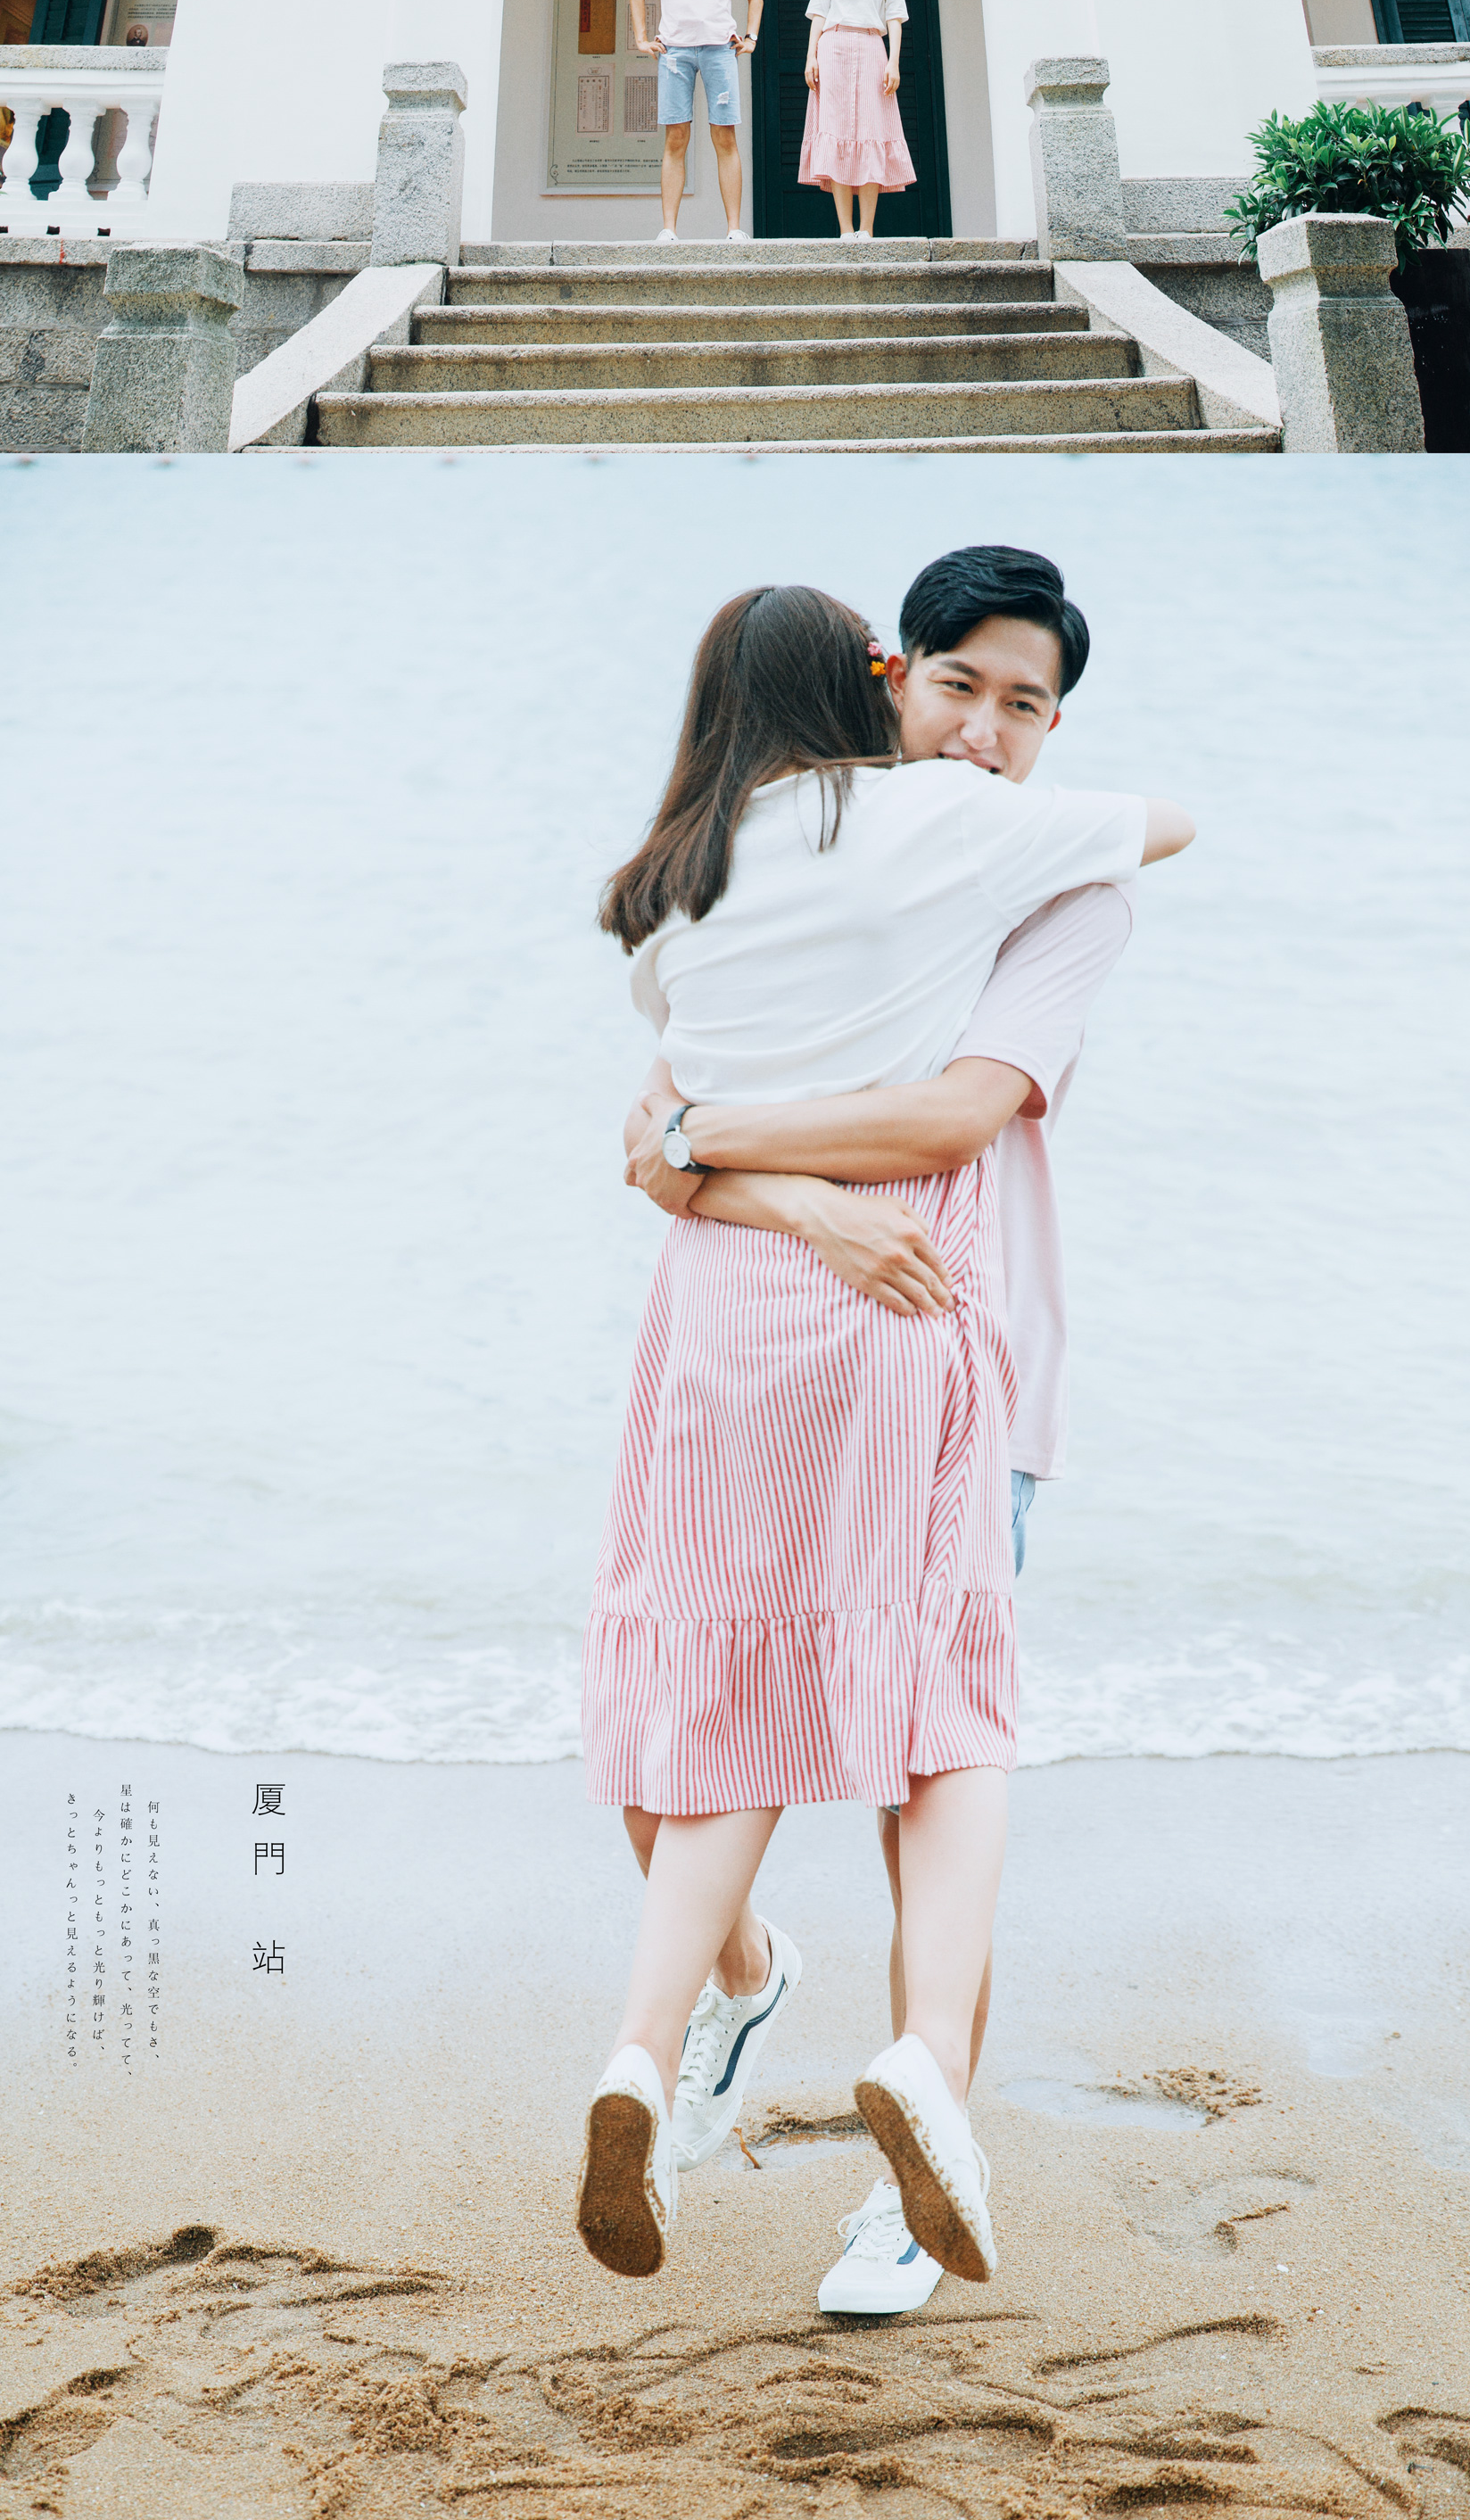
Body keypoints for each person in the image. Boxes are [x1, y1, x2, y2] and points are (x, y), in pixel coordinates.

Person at [576, 582, 1191, 2292]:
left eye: (1026, 706)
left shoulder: (1046, 883)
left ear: (1058, 729)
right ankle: (757, 2001)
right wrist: (798, 1198)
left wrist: (723, 1144)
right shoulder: (885, 837)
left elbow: (951, 1113)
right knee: (775, 1704)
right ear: (887, 683)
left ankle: (900, 2176)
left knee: (907, 1738)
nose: (985, 732)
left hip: (955, 1348)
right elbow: (654, 1147)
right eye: (957, 687)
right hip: (862, 1308)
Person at [629, 0, 763, 245]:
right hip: (675, 51)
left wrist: (751, 38)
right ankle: (669, 229)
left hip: (720, 48)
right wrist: (641, 38)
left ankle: (733, 228)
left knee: (725, 136)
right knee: (675, 137)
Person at [801, 0, 913, 236]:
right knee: (834, 129)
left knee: (871, 129)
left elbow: (895, 20)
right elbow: (819, 16)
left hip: (870, 47)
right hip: (832, 46)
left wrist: (894, 62)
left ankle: (867, 229)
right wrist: (811, 57)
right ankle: (845, 229)